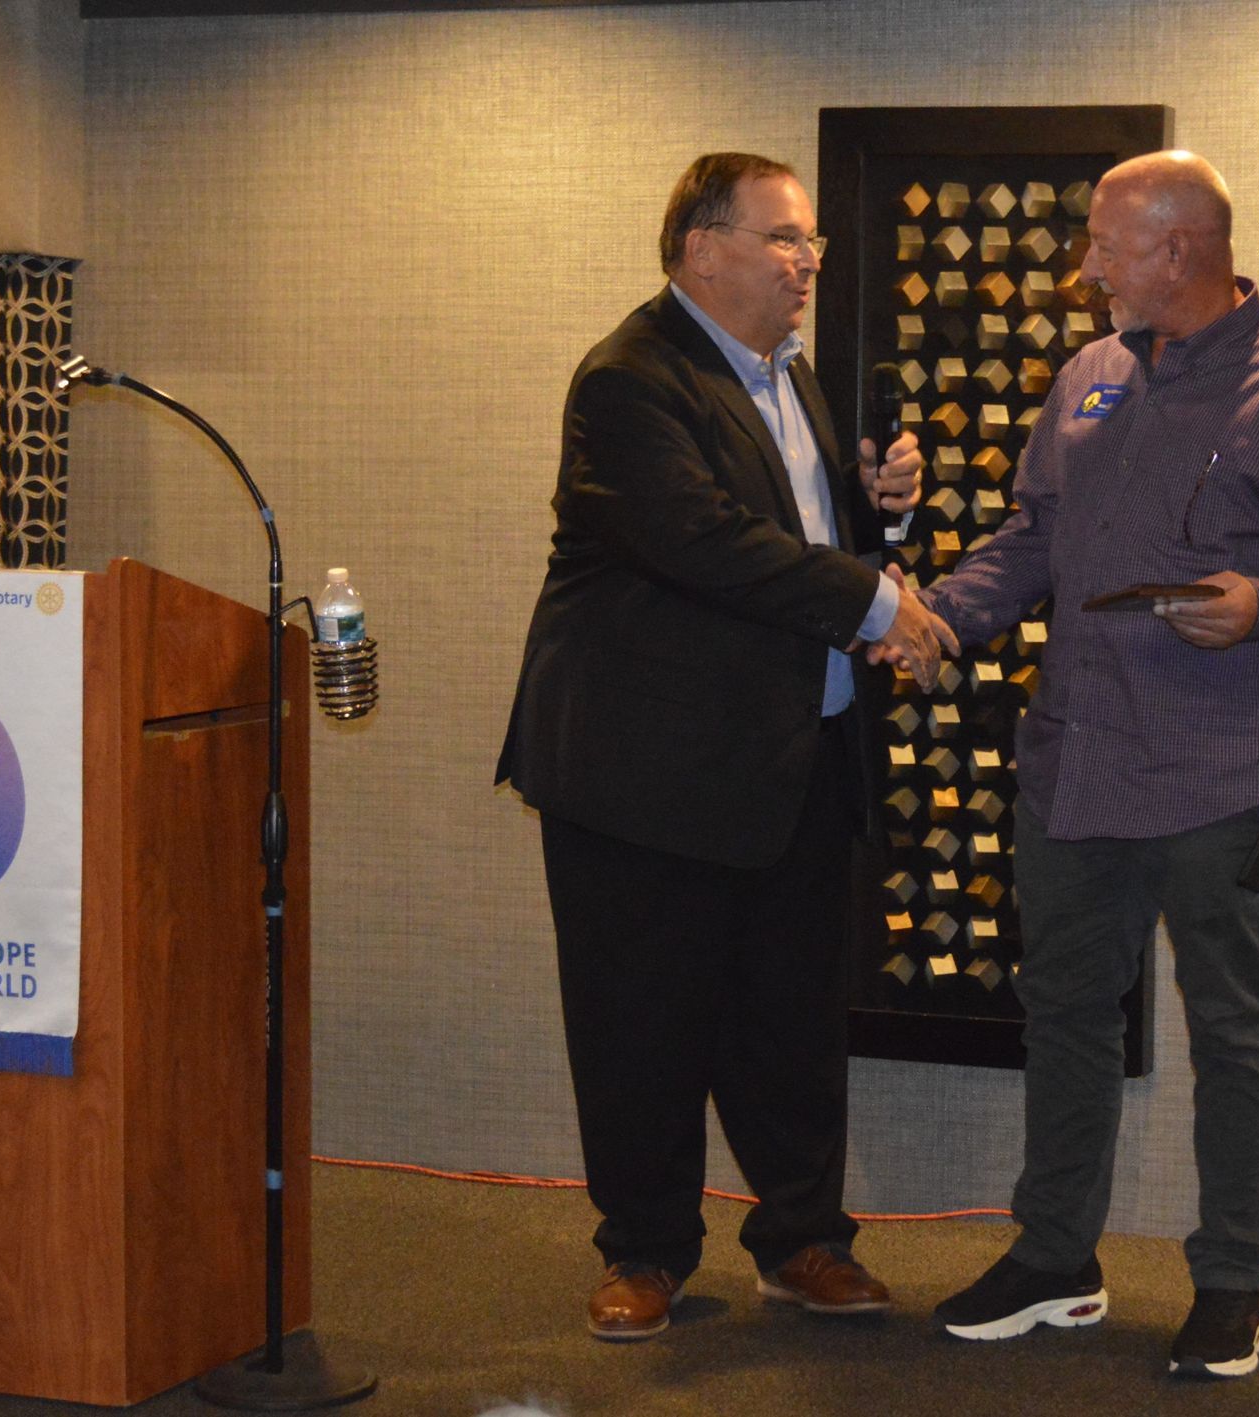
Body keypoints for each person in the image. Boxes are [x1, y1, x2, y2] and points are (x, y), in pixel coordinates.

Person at [922, 150, 1259, 1379]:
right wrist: (937, 617)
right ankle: (1056, 1258)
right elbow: (1036, 535)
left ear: (1178, 249)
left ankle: (1234, 1283)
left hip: (1227, 769)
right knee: (1065, 1012)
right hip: (1078, 758)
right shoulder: (1090, 376)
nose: (1085, 267)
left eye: (1105, 245)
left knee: (1234, 1025)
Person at [496, 152, 950, 1341]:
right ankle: (645, 1249)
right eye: (785, 238)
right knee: (641, 1019)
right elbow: (704, 543)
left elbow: (799, 540)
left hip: (792, 757)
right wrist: (880, 602)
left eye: (812, 243)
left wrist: (880, 511)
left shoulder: (791, 379)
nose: (809, 262)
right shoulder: (629, 379)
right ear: (703, 250)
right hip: (645, 771)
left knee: (793, 1018)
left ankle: (802, 1240)